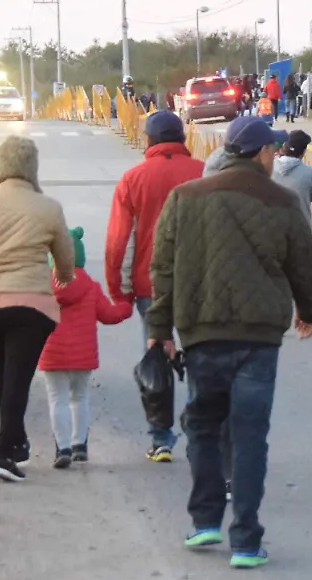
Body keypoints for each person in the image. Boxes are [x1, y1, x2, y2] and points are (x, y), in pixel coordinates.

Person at [147, 116, 312, 569]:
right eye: (271, 151)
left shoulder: (184, 198)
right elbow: (304, 261)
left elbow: (161, 269)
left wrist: (159, 330)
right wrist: (309, 311)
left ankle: (205, 520)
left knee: (202, 423)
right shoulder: (280, 201)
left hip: (201, 331)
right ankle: (245, 540)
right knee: (249, 435)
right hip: (258, 337)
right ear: (262, 153)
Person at [0, 135, 77, 483]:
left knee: (6, 376)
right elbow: (65, 259)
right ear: (31, 169)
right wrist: (63, 276)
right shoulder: (48, 207)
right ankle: (4, 454)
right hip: (30, 308)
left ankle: (16, 442)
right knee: (17, 381)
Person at [105, 111, 204, 462]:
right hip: (201, 283)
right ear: (182, 139)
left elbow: (120, 241)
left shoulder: (133, 179)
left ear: (148, 140)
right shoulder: (205, 173)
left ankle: (161, 438)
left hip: (152, 287)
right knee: (200, 355)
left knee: (156, 356)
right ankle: (200, 434)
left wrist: (120, 288)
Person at [40, 227, 133, 468]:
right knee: (79, 397)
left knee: (57, 399)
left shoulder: (42, 286)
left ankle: (62, 448)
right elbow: (109, 315)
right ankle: (79, 444)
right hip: (83, 357)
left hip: (52, 354)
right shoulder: (90, 286)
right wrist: (126, 305)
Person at [273, 130, 312, 219]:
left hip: (274, 225)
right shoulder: (310, 172)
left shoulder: (269, 166)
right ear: (304, 151)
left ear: (284, 146)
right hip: (301, 227)